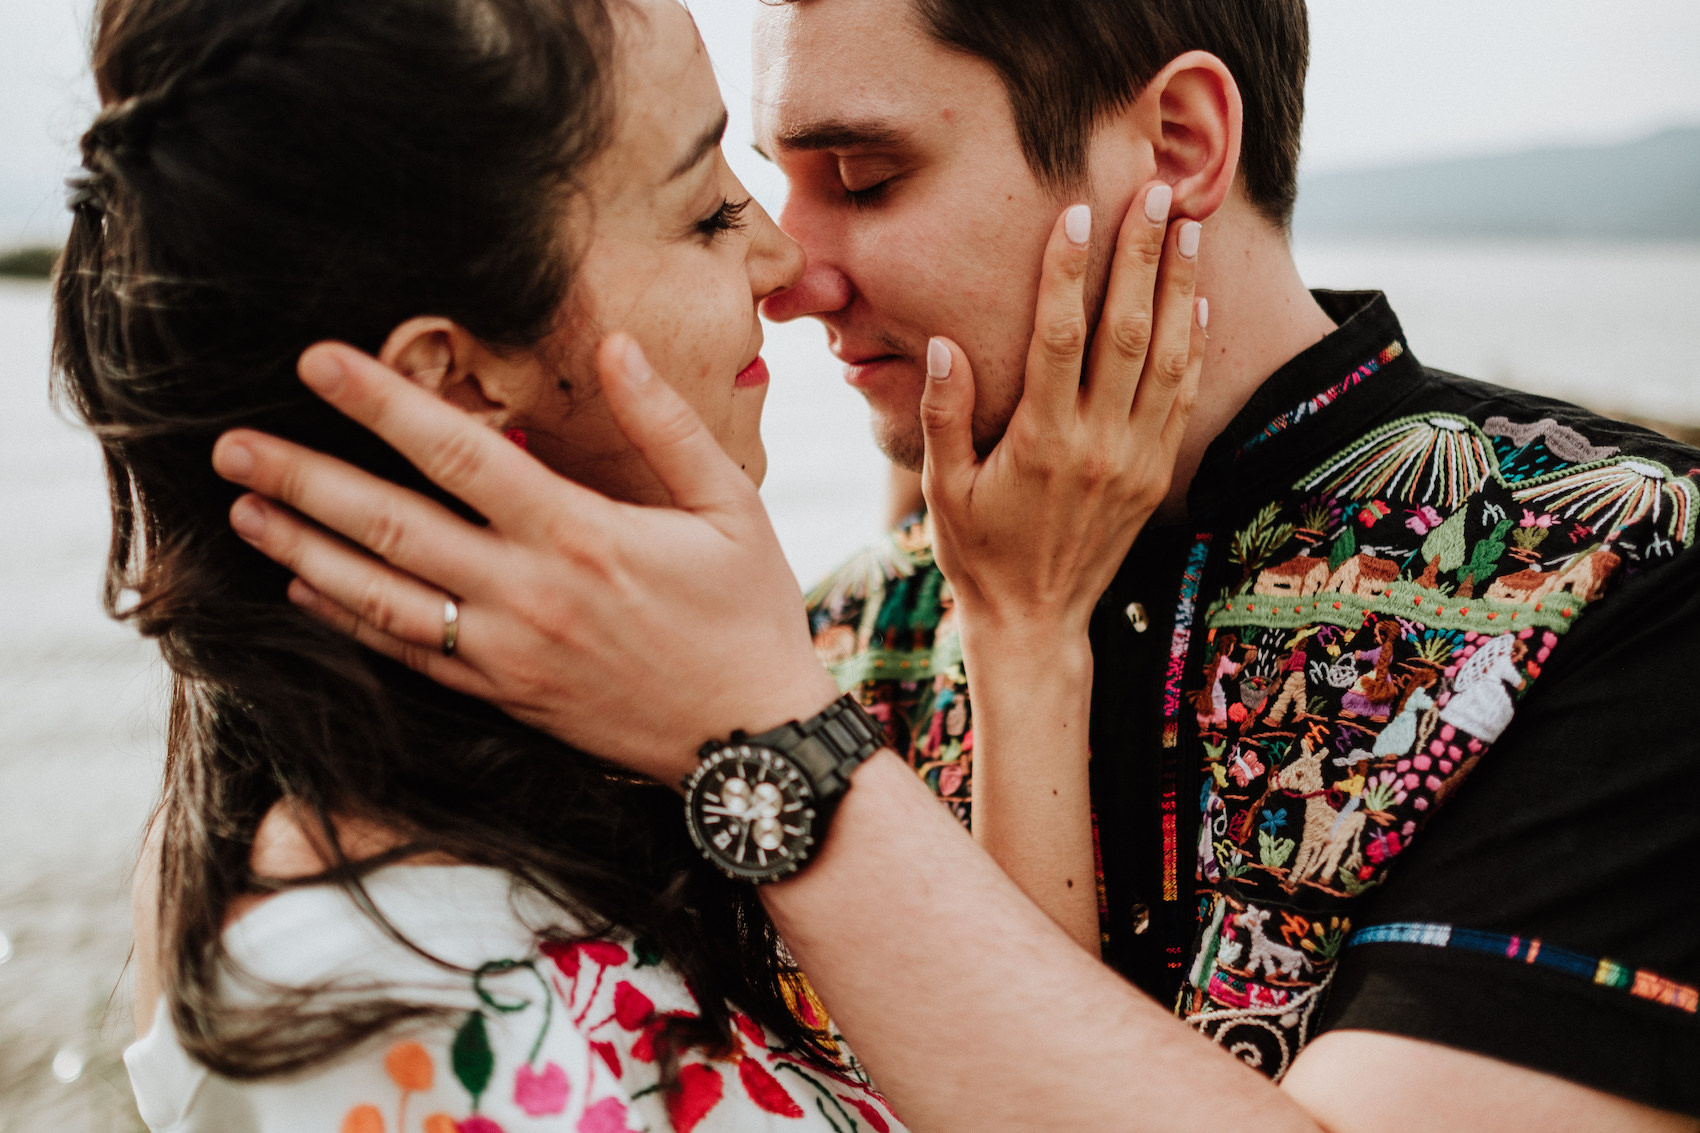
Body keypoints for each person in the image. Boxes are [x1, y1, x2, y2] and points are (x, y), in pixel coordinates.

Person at [216, 0, 1700, 1130]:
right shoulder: (818, 639)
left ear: (1177, 148)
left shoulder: (1619, 579)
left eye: (861, 176)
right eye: (769, 181)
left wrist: (783, 753)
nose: (790, 273)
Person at [63, 0, 1204, 1129]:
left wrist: (1022, 627)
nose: (779, 258)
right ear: (455, 382)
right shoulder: (390, 1009)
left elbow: (1005, 1073)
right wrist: (777, 734)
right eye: (707, 209)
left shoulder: (578, 767)